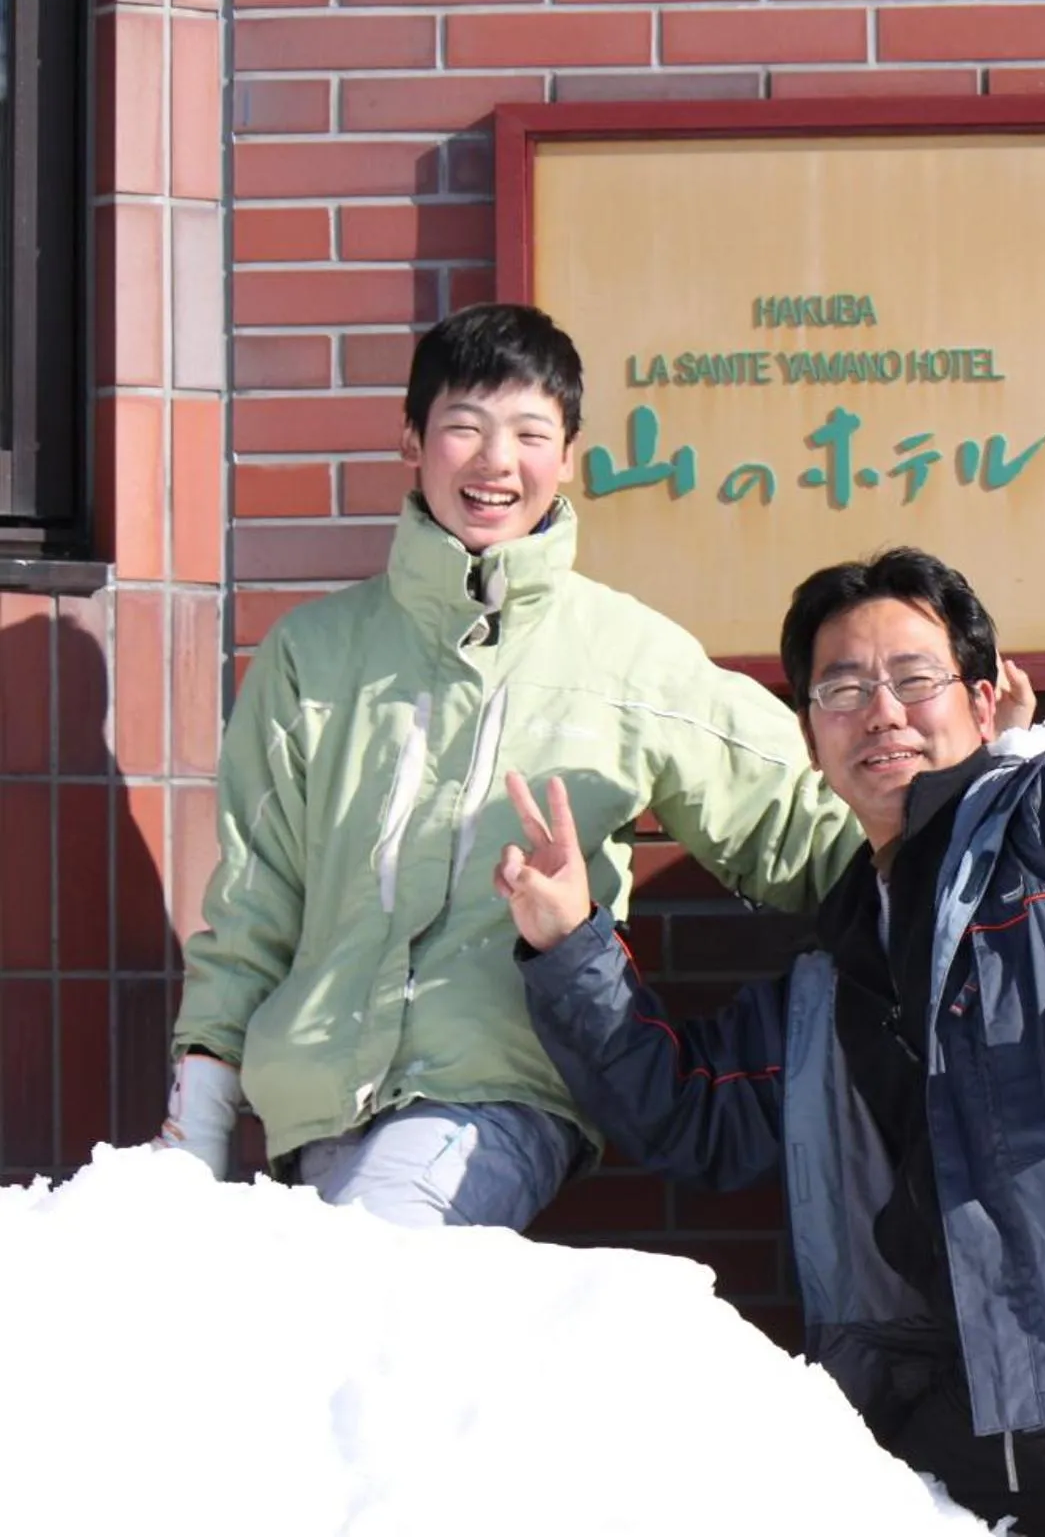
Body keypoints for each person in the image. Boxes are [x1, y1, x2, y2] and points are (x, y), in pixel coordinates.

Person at [508, 548, 1045, 1537]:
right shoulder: (836, 956)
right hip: (943, 1396)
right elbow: (696, 1115)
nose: (880, 710)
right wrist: (571, 941)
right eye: (842, 687)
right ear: (811, 732)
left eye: (913, 678)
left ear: (979, 699)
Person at [154, 303, 859, 1230]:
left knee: (374, 1290)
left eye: (531, 433)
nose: (496, 463)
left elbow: (799, 832)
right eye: (464, 428)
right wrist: (199, 1116)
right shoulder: (312, 658)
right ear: (412, 440)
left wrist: (980, 832)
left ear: (567, 456)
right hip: (316, 1103)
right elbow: (254, 902)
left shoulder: (628, 654)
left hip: (501, 1095)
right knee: (341, 1356)